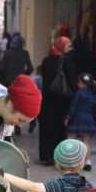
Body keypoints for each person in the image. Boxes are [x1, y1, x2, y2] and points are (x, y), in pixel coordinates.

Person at [39, 36, 77, 165]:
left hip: (47, 100)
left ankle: (47, 155)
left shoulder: (46, 61)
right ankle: (58, 157)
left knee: (47, 127)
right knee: (60, 128)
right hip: (62, 100)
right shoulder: (67, 61)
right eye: (67, 46)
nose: (69, 48)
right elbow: (72, 82)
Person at [65, 73, 96, 171]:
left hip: (77, 118)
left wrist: (68, 117)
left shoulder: (79, 93)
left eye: (78, 82)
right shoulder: (92, 93)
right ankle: (88, 162)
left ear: (82, 83)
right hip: (89, 118)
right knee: (86, 141)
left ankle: (69, 162)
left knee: (70, 139)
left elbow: (73, 107)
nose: (77, 83)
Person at [28, 65, 43, 133]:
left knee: (34, 113)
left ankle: (32, 124)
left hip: (34, 97)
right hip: (42, 97)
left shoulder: (34, 78)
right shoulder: (44, 78)